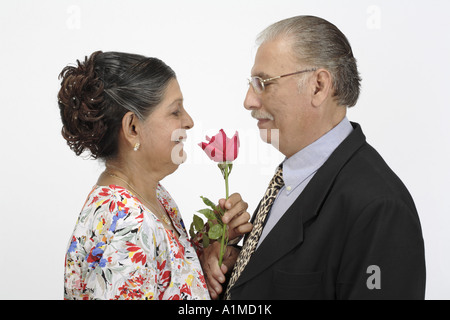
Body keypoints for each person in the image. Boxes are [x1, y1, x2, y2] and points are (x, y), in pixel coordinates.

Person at [201, 15, 426, 300]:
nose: (249, 100)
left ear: (318, 86)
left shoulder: (379, 208)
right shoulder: (291, 180)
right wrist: (230, 261)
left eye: (263, 82)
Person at [59, 51, 252, 300]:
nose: (189, 121)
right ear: (133, 128)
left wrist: (211, 243)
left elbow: (165, 279)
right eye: (175, 111)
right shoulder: (128, 224)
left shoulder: (152, 196)